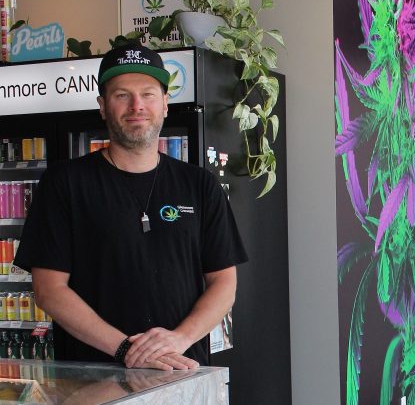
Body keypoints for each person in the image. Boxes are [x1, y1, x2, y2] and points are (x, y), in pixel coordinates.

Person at [13, 43, 248, 370]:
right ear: (102, 106)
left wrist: (178, 340)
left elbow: (224, 283)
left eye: (148, 94)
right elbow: (49, 290)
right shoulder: (64, 183)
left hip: (182, 370)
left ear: (165, 104)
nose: (137, 106)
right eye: (122, 95)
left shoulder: (200, 185)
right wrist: (125, 349)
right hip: (93, 378)